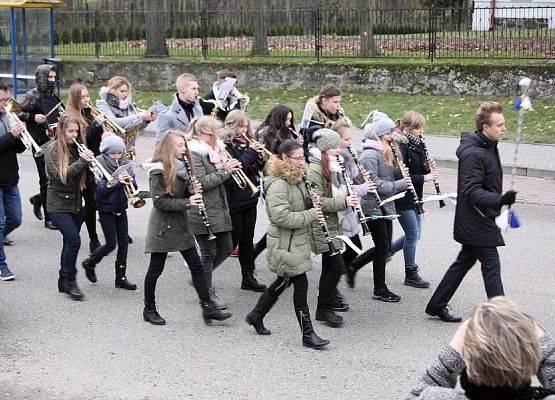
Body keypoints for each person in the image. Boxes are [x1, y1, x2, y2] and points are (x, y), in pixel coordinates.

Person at [425, 102, 516, 322]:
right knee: (491, 265)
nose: (504, 128)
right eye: (499, 125)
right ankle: (502, 317)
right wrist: (500, 199)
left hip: (482, 216)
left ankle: (437, 304)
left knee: (465, 261)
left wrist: (500, 201)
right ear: (485, 127)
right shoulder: (475, 154)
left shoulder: (489, 146)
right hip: (477, 218)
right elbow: (471, 192)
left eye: (504, 124)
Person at [245, 140, 329, 349]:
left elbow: (310, 203)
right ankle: (308, 334)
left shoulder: (298, 179)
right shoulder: (279, 185)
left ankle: (256, 315)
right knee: (300, 285)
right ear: (284, 158)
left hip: (296, 241)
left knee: (282, 282)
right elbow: (279, 217)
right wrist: (312, 214)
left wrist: (342, 201)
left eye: (303, 157)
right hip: (285, 244)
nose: (302, 162)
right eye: (298, 158)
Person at [142, 131, 232, 326]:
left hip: (182, 225)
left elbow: (182, 193)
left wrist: (191, 189)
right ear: (168, 147)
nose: (184, 149)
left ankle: (208, 307)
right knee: (155, 269)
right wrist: (188, 201)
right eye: (180, 145)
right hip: (163, 227)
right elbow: (160, 203)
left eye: (184, 145)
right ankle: (149, 309)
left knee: (197, 267)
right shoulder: (158, 170)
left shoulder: (183, 167)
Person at [407, 297, 555, 400]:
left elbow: (415, 395)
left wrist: (452, 355)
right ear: (532, 358)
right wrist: (540, 339)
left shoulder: (434, 397)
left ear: (470, 367)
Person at [345, 111, 410, 302]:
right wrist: (403, 183)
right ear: (380, 134)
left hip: (385, 206)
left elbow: (388, 178)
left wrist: (402, 173)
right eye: (390, 133)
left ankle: (353, 266)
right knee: (382, 246)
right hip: (372, 206)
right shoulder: (369, 156)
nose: (392, 136)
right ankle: (379, 288)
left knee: (385, 246)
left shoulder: (385, 151)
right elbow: (376, 186)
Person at [307, 128, 360, 327]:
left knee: (330, 267)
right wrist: (345, 202)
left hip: (333, 223)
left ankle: (323, 309)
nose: (338, 150)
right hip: (321, 224)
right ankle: (324, 308)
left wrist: (349, 194)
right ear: (323, 149)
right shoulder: (314, 170)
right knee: (336, 266)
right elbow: (317, 202)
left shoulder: (332, 165)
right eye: (334, 147)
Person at [187, 116, 241, 308]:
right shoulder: (194, 152)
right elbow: (200, 182)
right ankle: (207, 296)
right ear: (202, 134)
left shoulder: (213, 150)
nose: (217, 138)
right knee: (208, 253)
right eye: (213, 135)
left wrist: (231, 167)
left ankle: (199, 278)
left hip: (217, 208)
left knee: (226, 248)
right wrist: (226, 171)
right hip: (201, 210)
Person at [45, 113, 95, 300]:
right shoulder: (53, 150)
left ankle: (62, 279)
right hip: (57, 203)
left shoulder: (77, 148)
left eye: (76, 131)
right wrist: (83, 162)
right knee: (74, 241)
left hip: (75, 202)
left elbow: (83, 176)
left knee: (69, 242)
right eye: (70, 131)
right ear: (61, 130)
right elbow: (62, 176)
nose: (74, 135)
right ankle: (69, 281)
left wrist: (91, 167)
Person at [388, 111, 438, 289]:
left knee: (415, 234)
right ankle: (410, 272)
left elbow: (419, 169)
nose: (421, 131)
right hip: (404, 197)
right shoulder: (401, 146)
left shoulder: (417, 144)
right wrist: (426, 177)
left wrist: (427, 166)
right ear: (408, 128)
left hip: (417, 196)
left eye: (422, 127)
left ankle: (387, 251)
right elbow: (403, 176)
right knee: (413, 234)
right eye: (418, 127)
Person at [80, 135, 136, 291]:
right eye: (113, 154)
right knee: (111, 244)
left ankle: (121, 277)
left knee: (124, 243)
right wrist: (116, 181)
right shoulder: (97, 165)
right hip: (105, 210)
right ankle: (90, 262)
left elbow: (134, 186)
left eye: (119, 153)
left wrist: (131, 180)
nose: (116, 157)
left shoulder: (126, 164)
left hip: (121, 207)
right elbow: (98, 192)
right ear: (106, 153)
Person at [328, 119, 374, 304]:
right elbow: (342, 189)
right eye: (346, 139)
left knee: (353, 249)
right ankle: (330, 287)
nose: (350, 142)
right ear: (336, 140)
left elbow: (353, 178)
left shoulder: (348, 156)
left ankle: (334, 281)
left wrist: (363, 177)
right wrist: (364, 188)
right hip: (340, 212)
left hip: (349, 212)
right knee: (338, 254)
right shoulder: (334, 161)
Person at [221, 110, 267, 292]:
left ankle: (248, 277)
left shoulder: (248, 143)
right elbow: (237, 168)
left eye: (246, 125)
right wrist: (250, 152)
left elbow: (256, 168)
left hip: (249, 197)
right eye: (240, 125)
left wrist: (261, 157)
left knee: (247, 241)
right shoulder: (225, 145)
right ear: (231, 125)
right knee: (232, 241)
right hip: (234, 198)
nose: (244, 129)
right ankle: (203, 273)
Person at [18, 64, 63, 230]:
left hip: (55, 141)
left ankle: (38, 199)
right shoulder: (32, 96)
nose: (52, 80)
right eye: (49, 77)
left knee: (56, 177)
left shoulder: (54, 96)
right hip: (39, 143)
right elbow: (14, 111)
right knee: (46, 179)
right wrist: (32, 116)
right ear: (41, 77)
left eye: (53, 77)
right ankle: (49, 218)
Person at [252, 104, 299, 262]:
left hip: (289, 175)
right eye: (286, 119)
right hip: (272, 176)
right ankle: (259, 250)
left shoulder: (289, 132)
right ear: (278, 118)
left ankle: (258, 250)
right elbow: (261, 158)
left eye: (290, 120)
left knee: (283, 218)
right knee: (278, 218)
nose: (289, 123)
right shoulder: (264, 133)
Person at [66, 82, 106, 253]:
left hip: (95, 158)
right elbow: (82, 140)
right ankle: (93, 239)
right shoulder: (71, 116)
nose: (86, 99)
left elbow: (97, 138)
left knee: (93, 201)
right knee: (90, 201)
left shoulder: (90, 112)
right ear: (75, 99)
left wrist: (104, 130)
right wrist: (96, 126)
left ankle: (77, 227)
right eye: (82, 97)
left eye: (87, 95)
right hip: (81, 161)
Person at [0, 82, 25, 281]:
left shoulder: (8, 117)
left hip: (10, 177)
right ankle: (2, 265)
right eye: (1, 100)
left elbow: (18, 149)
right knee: (0, 223)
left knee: (15, 219)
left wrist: (21, 137)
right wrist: (11, 135)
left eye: (6, 99)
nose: (5, 104)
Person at [96, 76, 155, 157]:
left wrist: (147, 119)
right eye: (122, 91)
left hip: (129, 148)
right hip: (112, 150)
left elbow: (138, 127)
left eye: (126, 91)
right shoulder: (102, 103)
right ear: (112, 90)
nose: (125, 94)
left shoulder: (129, 104)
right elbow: (114, 122)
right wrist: (139, 116)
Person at [303, 85, 349, 160]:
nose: (338, 106)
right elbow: (310, 145)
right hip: (319, 158)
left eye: (339, 102)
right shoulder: (312, 119)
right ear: (324, 101)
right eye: (335, 102)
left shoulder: (338, 114)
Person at [156, 73, 206, 141]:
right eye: (193, 89)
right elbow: (160, 145)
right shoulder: (166, 115)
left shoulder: (198, 109)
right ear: (182, 89)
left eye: (197, 89)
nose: (197, 92)